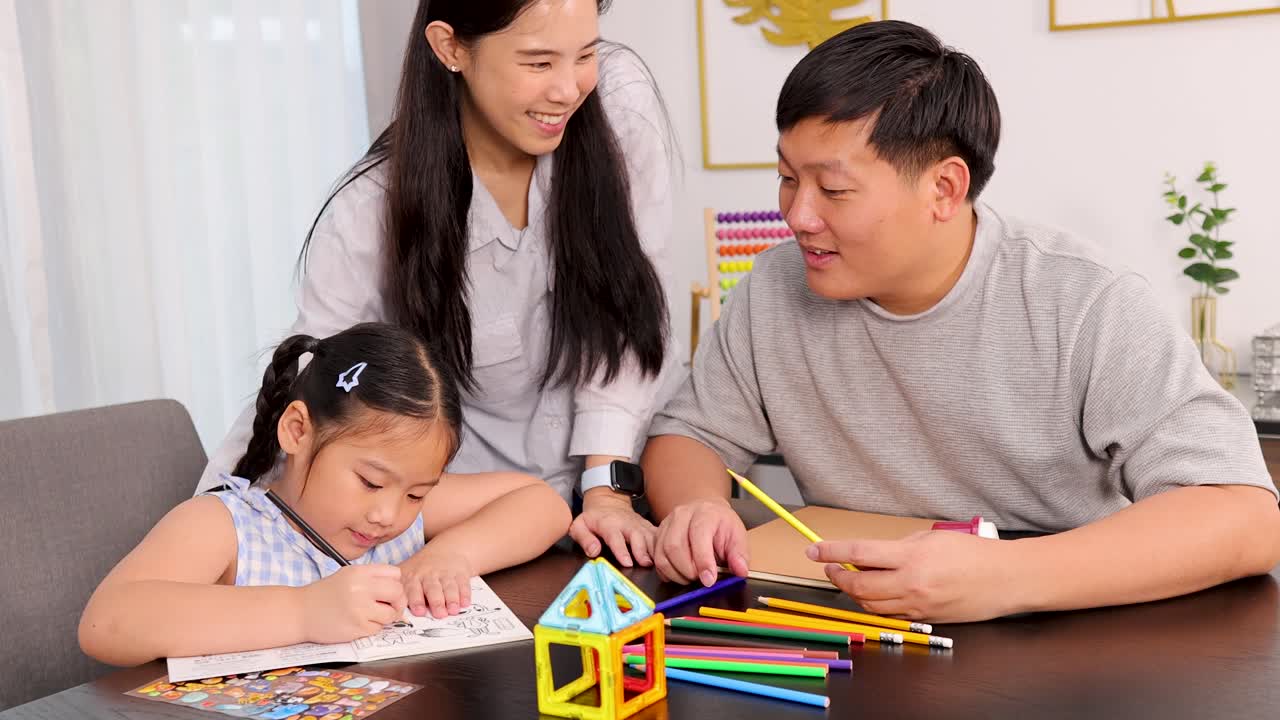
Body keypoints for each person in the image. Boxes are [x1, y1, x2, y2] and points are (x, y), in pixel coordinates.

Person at [642, 20, 1280, 623]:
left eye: (833, 191)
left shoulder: (1087, 301)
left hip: (1070, 633)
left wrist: (1004, 576)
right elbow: (687, 436)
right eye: (786, 178)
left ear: (945, 189)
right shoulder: (774, 291)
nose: (799, 215)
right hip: (860, 635)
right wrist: (697, 508)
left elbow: (1245, 515)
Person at [195, 0, 679, 579]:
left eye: (585, 53)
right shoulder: (369, 211)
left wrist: (606, 487)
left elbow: (625, 307)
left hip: (617, 501)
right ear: (451, 47)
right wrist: (215, 530)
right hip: (482, 529)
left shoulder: (620, 100)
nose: (569, 88)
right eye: (537, 61)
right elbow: (316, 383)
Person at [80, 323, 570, 666]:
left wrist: (451, 556)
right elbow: (106, 624)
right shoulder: (226, 527)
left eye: (419, 493)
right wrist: (303, 611)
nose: (388, 514)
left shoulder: (401, 516)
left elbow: (543, 504)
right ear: (297, 431)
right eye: (370, 482)